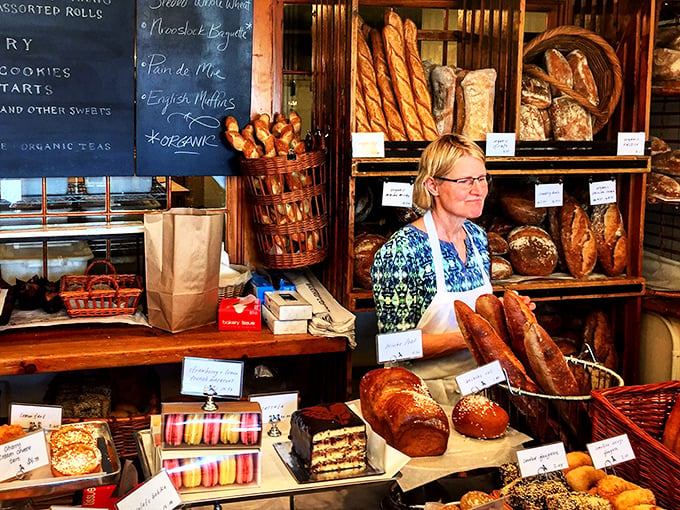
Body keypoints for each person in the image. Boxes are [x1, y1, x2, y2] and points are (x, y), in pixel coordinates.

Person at [371, 133, 495, 406]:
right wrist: (473, 337)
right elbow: (394, 347)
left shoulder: (477, 238)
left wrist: (503, 315)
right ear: (432, 185)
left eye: (482, 178)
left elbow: (481, 315)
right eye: (465, 181)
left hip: (480, 388)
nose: (479, 190)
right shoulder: (402, 252)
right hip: (421, 398)